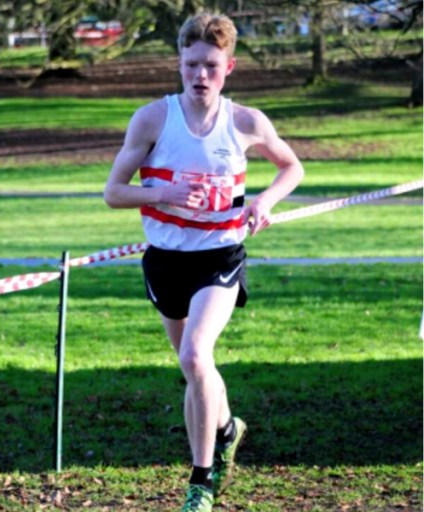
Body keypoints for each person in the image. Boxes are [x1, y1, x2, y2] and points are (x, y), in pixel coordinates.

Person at [103, 13, 304, 512]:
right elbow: (112, 193)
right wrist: (165, 191)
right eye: (192, 65)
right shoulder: (152, 119)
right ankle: (228, 427)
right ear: (179, 63)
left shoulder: (246, 122)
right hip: (165, 262)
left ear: (229, 66)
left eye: (211, 66)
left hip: (220, 258)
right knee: (195, 369)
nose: (200, 76)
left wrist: (265, 202)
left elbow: (292, 166)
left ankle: (201, 482)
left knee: (195, 355)